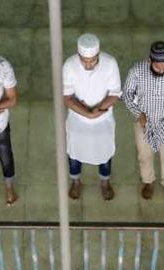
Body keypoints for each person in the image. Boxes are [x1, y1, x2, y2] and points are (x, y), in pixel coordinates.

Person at [122, 40, 164, 200]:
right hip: (143, 121)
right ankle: (148, 181)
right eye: (158, 66)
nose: (162, 69)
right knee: (144, 155)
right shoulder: (137, 71)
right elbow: (127, 94)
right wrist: (138, 114)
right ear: (150, 60)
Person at [63, 34, 121, 200]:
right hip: (78, 120)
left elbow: (115, 94)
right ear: (78, 56)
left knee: (104, 153)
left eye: (92, 60)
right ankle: (75, 181)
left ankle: (105, 182)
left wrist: (97, 110)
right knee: (74, 154)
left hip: (103, 120)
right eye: (84, 60)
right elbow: (67, 97)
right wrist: (87, 113)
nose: (88, 64)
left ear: (98, 55)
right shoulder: (69, 65)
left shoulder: (110, 64)